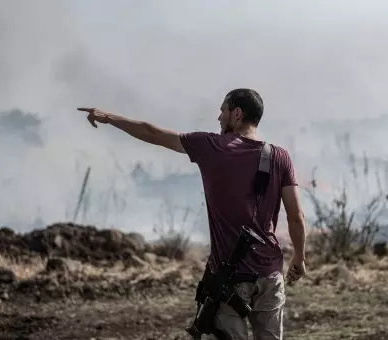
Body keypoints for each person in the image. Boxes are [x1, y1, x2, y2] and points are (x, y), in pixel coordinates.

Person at [77, 88, 307, 340]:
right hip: (270, 276)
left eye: (223, 110)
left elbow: (152, 133)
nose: (219, 117)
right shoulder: (280, 157)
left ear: (237, 114)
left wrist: (108, 117)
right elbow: (295, 215)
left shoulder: (211, 147)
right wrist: (299, 257)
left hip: (231, 278)